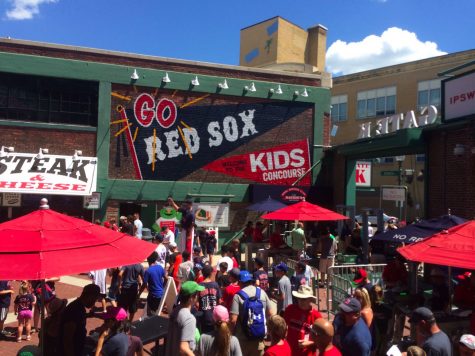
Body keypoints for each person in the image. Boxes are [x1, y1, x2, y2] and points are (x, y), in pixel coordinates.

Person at [230, 270, 275, 356]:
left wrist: (231, 335)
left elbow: (233, 320)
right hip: (258, 339)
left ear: (239, 282)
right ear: (251, 281)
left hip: (242, 340)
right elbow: (271, 314)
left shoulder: (238, 296)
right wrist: (267, 331)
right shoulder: (262, 292)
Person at [59, 284, 101, 356]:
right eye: (94, 300)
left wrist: (87, 315)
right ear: (89, 296)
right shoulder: (76, 309)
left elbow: (77, 320)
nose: (94, 303)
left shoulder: (79, 307)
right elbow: (67, 338)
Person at [165, 281, 205, 356]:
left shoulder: (176, 310)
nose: (198, 297)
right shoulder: (189, 318)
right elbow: (183, 348)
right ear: (191, 298)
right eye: (197, 295)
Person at [283, 285, 322, 356]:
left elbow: (323, 339)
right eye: (299, 298)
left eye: (304, 299)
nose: (301, 301)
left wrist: (310, 343)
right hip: (290, 352)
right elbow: (283, 327)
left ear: (310, 299)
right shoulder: (290, 309)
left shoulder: (317, 316)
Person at [139, 251, 166, 316]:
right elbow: (166, 278)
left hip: (153, 295)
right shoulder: (160, 267)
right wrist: (163, 286)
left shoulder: (148, 271)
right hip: (161, 294)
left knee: (150, 314)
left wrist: (139, 294)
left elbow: (144, 284)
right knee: (157, 312)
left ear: (148, 259)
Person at [197, 264, 222, 333]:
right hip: (214, 317)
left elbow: (197, 303)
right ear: (211, 273)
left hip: (203, 316)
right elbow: (219, 301)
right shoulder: (215, 285)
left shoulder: (199, 285)